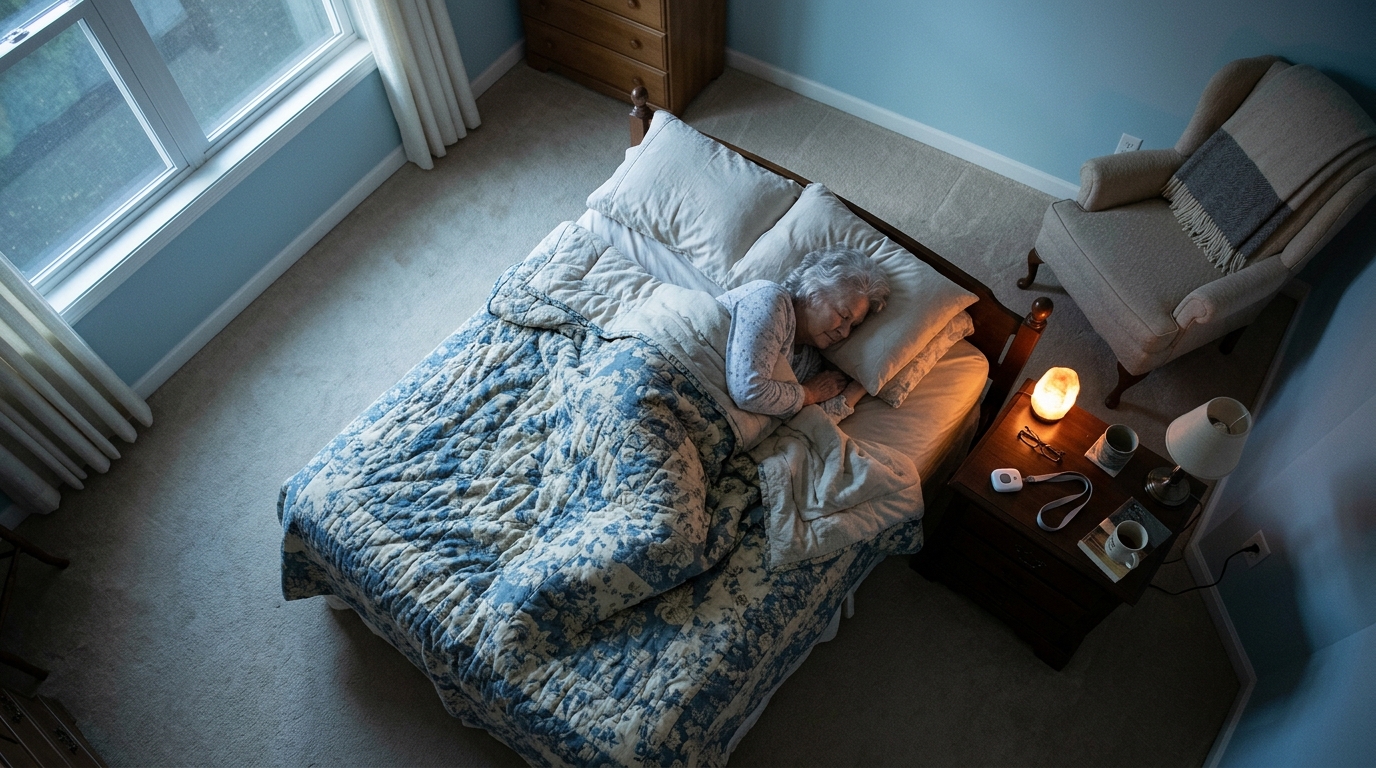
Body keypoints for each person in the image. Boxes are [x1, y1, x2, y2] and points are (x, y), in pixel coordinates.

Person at [716, 246, 889, 423]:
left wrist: (860, 386)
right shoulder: (771, 299)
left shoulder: (809, 364)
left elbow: (805, 425)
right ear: (813, 292)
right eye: (844, 316)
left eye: (853, 326)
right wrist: (810, 393)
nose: (845, 333)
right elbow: (748, 391)